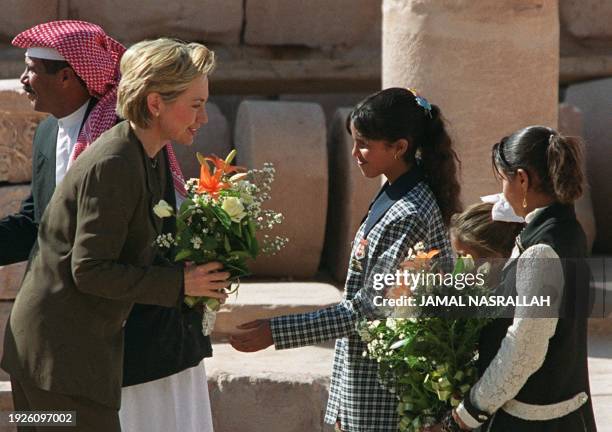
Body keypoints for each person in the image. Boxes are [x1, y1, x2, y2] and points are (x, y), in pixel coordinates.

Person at [1, 22, 223, 432]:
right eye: (195, 105)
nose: (204, 117)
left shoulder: (146, 153)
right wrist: (180, 284)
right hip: (57, 360)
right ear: (155, 103)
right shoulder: (117, 161)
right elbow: (89, 269)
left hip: (65, 351)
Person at [231, 87, 461, 431]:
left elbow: (370, 308)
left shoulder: (409, 213)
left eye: (365, 144)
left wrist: (278, 332)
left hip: (388, 393)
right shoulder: (398, 189)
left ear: (399, 147)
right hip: (368, 382)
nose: (355, 153)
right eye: (354, 142)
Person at [443, 126, 597, 432]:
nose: (502, 192)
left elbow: (524, 350)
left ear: (523, 179)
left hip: (537, 422)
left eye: (503, 180)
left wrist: (465, 415)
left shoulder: (543, 251)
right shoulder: (567, 229)